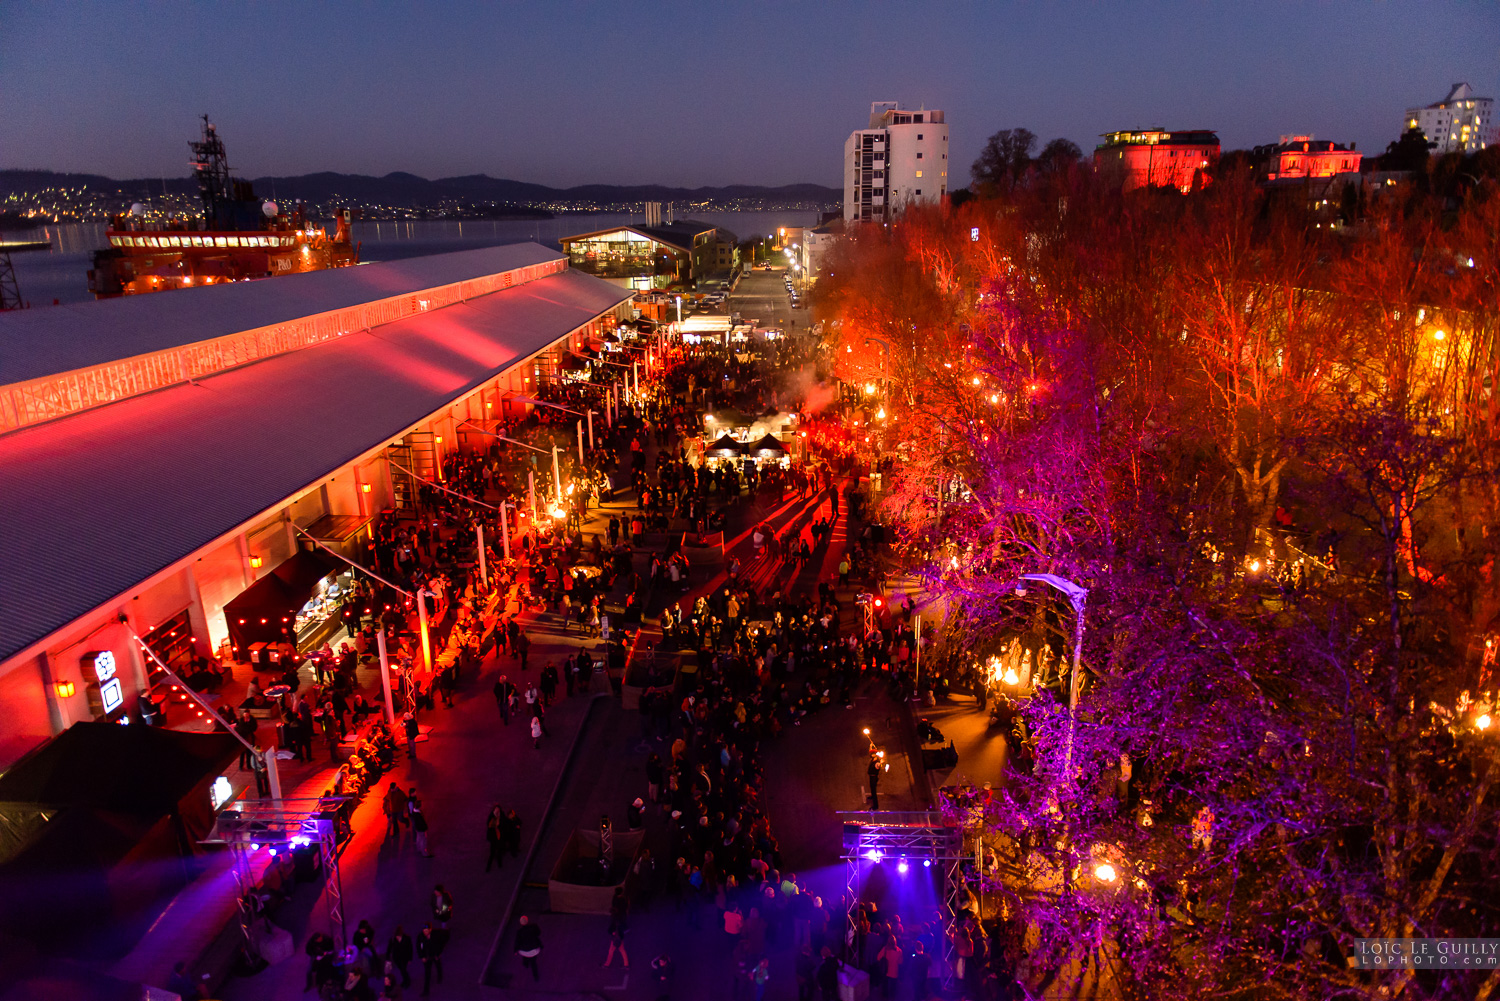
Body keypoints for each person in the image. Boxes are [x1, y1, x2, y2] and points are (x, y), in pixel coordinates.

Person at [416, 922, 445, 996]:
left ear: (430, 930)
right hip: (427, 957)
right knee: (427, 974)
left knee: (438, 966)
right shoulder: (420, 936)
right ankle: (426, 991)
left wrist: (438, 954)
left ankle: (439, 976)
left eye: (426, 930)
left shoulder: (436, 935)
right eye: (424, 930)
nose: (424, 932)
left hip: (435, 955)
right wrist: (422, 956)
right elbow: (418, 948)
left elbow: (441, 944)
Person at [603, 886, 629, 968]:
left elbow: (610, 930)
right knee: (622, 950)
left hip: (615, 937)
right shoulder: (621, 918)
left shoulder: (614, 920)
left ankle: (607, 964)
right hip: (620, 936)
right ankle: (626, 965)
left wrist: (613, 932)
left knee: (611, 951)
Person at [515, 915, 543, 981]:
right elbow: (538, 933)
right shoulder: (534, 927)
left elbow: (517, 942)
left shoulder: (519, 932)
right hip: (533, 949)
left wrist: (515, 950)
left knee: (525, 956)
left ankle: (526, 963)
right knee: (533, 963)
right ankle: (536, 977)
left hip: (524, 950)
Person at [408, 789, 433, 857]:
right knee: (423, 840)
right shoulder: (418, 814)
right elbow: (421, 822)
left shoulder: (415, 812)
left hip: (417, 828)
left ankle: (418, 848)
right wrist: (425, 828)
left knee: (418, 838)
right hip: (421, 829)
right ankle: (424, 853)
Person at [485, 805, 506, 871]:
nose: (497, 811)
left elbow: (503, 823)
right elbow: (489, 825)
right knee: (492, 853)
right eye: (496, 809)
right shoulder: (492, 817)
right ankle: (488, 867)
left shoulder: (501, 816)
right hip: (494, 837)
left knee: (499, 851)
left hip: (499, 836)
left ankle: (499, 864)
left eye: (498, 809)